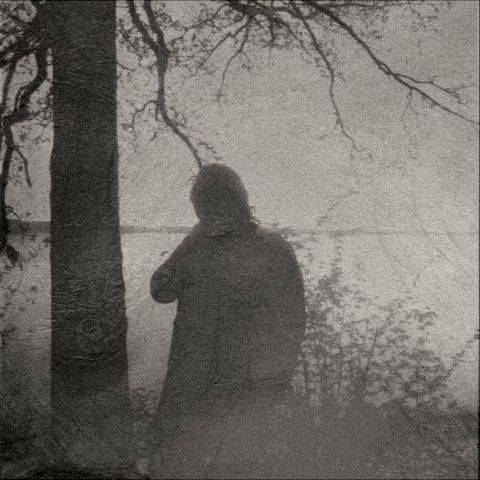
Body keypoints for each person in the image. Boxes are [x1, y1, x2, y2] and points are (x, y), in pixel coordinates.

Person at [149, 164, 307, 478]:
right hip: (208, 383)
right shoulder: (262, 247)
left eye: (204, 208)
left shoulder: (262, 249)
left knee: (215, 464)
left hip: (226, 386)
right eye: (199, 211)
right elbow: (160, 290)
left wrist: (273, 381)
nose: (201, 217)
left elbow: (291, 322)